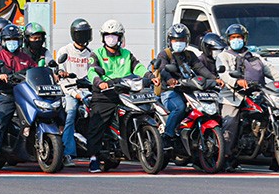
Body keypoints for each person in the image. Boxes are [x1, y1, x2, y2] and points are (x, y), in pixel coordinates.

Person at [216, 24, 279, 169]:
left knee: (271, 116)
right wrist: (237, 81)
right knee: (230, 123)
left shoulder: (254, 56)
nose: (236, 40)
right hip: (232, 96)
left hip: (256, 94)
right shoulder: (223, 56)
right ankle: (226, 156)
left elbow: (268, 69)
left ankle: (275, 158)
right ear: (228, 40)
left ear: (244, 39)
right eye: (233, 38)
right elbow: (224, 74)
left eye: (239, 37)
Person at [85, 19, 152, 173]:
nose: (111, 38)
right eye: (108, 35)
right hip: (105, 94)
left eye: (114, 35)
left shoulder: (127, 54)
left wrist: (149, 75)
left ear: (120, 37)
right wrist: (99, 82)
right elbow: (92, 70)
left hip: (125, 91)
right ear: (103, 37)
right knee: (97, 124)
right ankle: (93, 158)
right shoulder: (97, 54)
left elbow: (138, 66)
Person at [154, 24, 223, 150]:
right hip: (170, 91)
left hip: (188, 89)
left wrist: (215, 79)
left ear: (187, 41)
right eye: (176, 40)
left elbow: (200, 68)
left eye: (181, 40)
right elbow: (163, 69)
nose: (178, 43)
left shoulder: (190, 55)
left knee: (201, 108)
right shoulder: (165, 54)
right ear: (170, 41)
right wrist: (170, 79)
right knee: (179, 108)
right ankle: (168, 136)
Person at [0, 24, 34, 170]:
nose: (12, 42)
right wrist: (0, 75)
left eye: (15, 39)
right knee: (1, 120)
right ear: (3, 41)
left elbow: (35, 70)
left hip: (25, 94)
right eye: (9, 39)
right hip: (7, 94)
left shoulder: (26, 57)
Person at [55, 18, 94, 167]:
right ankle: (67, 153)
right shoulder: (64, 51)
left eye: (86, 34)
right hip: (69, 91)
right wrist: (74, 93)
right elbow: (61, 75)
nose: (83, 38)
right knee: (70, 113)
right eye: (80, 34)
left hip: (87, 91)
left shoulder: (91, 54)